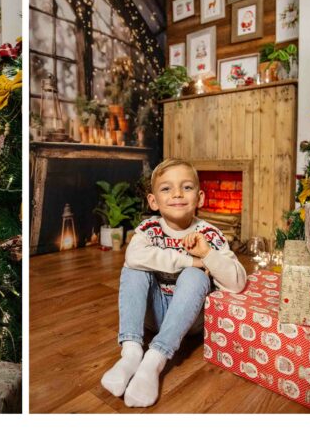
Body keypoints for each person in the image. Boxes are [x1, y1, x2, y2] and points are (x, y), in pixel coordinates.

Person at [100, 158, 246, 407]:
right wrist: (189, 260)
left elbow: (237, 283)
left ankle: (154, 359)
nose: (177, 193)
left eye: (186, 187)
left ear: (200, 198)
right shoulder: (149, 229)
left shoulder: (209, 234)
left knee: (194, 276)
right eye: (166, 188)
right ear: (153, 201)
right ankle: (132, 351)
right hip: (152, 315)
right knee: (135, 267)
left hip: (189, 320)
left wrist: (207, 256)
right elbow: (133, 256)